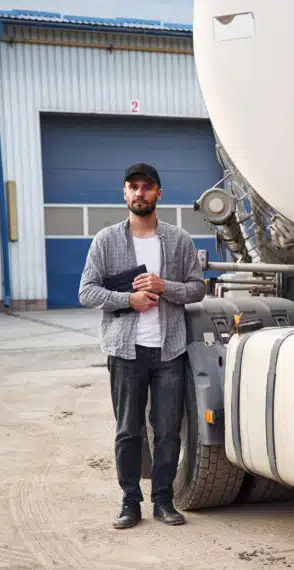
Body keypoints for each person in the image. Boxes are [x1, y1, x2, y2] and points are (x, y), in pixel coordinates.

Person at [78, 162, 206, 529]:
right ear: (124, 193)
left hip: (169, 351)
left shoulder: (179, 240)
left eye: (146, 187)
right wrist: (127, 300)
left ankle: (163, 500)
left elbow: (198, 288)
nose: (139, 193)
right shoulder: (106, 240)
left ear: (158, 193)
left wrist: (166, 286)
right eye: (132, 187)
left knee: (167, 429)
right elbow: (86, 292)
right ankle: (129, 501)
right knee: (128, 430)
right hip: (125, 351)